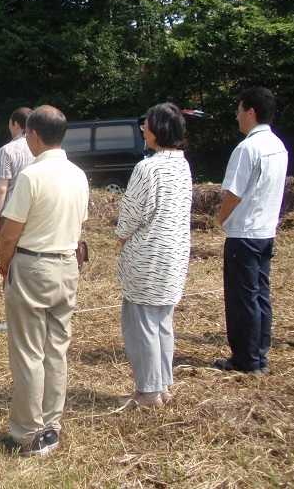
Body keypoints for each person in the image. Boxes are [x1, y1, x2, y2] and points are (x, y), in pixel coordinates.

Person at [0, 106, 88, 457]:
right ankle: (51, 426)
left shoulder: (32, 176)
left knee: (28, 352)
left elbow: (9, 235)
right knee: (56, 349)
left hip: (33, 265)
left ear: (33, 135)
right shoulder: (79, 175)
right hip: (67, 265)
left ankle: (27, 434)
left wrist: (5, 265)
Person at [115, 103, 193, 409]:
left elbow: (132, 213)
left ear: (158, 130)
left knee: (141, 325)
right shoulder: (182, 164)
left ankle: (148, 392)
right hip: (173, 253)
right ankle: (161, 386)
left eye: (145, 125)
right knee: (162, 322)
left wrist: (120, 236)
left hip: (148, 257)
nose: (143, 129)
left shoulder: (148, 167)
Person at [215, 87, 288, 374]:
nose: (237, 116)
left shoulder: (247, 148)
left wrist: (221, 218)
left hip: (244, 233)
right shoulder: (278, 145)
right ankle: (259, 352)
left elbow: (233, 193)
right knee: (259, 294)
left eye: (239, 110)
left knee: (242, 298)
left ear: (251, 112)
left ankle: (246, 359)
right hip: (266, 230)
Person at [0, 106, 35, 243]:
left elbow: (1, 189)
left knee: (9, 259)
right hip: (36, 213)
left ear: (15, 124)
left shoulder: (7, 151)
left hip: (11, 215)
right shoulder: (40, 147)